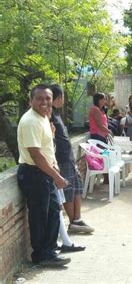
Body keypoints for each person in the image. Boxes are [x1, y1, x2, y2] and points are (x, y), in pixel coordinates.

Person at [17, 84, 71, 266]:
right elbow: (36, 155)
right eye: (39, 98)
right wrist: (56, 176)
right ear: (31, 100)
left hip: (44, 173)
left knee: (53, 212)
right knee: (40, 216)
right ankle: (40, 255)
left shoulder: (43, 118)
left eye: (48, 98)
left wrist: (54, 172)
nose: (45, 102)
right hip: (34, 174)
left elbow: (47, 149)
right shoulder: (30, 121)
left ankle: (49, 252)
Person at [50, 85, 94, 234]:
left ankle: (77, 219)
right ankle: (72, 221)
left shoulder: (56, 113)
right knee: (68, 189)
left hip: (68, 157)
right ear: (59, 97)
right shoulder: (49, 115)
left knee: (77, 185)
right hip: (61, 158)